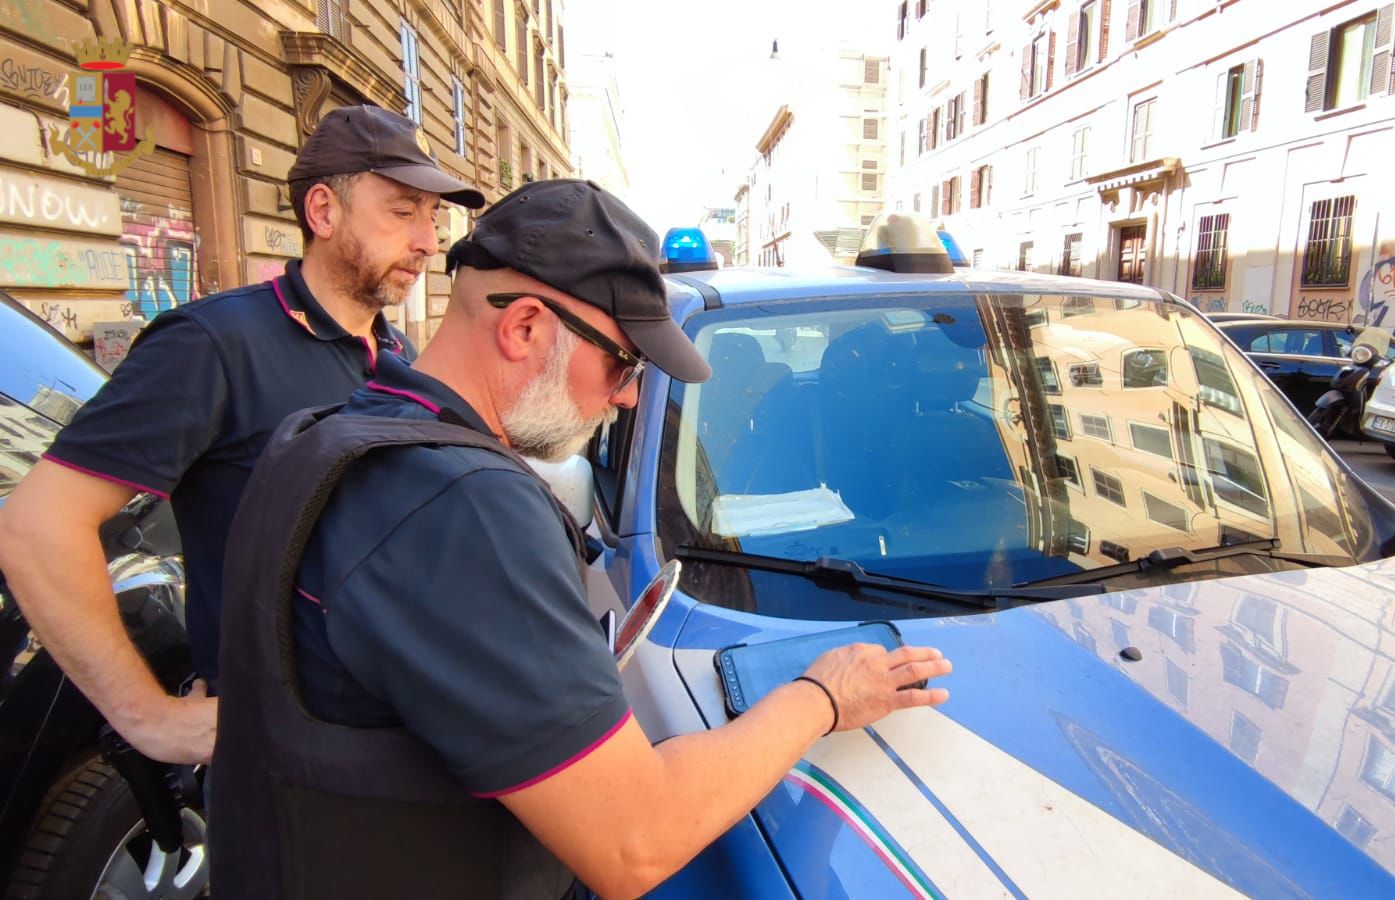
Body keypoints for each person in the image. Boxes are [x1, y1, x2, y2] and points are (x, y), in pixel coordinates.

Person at [209, 180, 953, 899]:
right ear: (524, 326)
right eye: (621, 361)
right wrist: (823, 696)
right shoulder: (464, 507)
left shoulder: (333, 432)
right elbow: (636, 842)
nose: (628, 394)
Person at [0, 105, 485, 765]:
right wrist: (150, 719)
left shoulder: (395, 353)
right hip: (279, 772)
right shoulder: (211, 345)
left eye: (433, 216)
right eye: (404, 212)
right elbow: (36, 526)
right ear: (322, 211)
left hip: (390, 747)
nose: (429, 241)